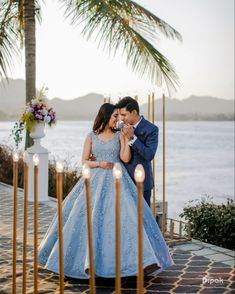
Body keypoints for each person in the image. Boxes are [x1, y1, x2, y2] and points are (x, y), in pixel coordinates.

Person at [38, 103, 173, 279]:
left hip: (118, 178)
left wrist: (126, 140)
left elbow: (125, 157)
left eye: (119, 116)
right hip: (95, 178)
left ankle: (137, 262)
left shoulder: (120, 135)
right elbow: (84, 161)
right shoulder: (91, 136)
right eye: (115, 116)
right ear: (105, 116)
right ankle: (85, 262)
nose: (118, 120)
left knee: (127, 218)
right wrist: (99, 164)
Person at [116, 97, 158, 207]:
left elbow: (149, 154)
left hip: (142, 183)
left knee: (143, 219)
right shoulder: (119, 127)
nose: (121, 118)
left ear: (134, 112)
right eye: (120, 115)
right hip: (123, 182)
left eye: (124, 115)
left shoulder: (151, 129)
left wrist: (132, 138)